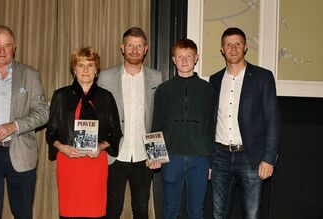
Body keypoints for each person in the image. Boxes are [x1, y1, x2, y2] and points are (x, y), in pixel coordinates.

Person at [0, 25, 49, 219]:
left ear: (14, 47)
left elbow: (43, 112)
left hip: (20, 150)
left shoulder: (30, 75)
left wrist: (14, 126)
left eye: (7, 46)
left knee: (23, 214)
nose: (2, 51)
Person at [209, 27, 281, 219]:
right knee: (218, 214)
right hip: (220, 157)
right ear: (222, 49)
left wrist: (268, 158)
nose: (233, 48)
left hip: (251, 158)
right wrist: (209, 160)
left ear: (245, 47)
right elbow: (211, 122)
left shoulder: (262, 77)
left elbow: (273, 120)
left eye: (238, 44)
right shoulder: (214, 80)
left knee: (252, 214)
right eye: (229, 44)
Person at [46, 47, 123, 218]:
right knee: (70, 212)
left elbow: (116, 132)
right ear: (74, 70)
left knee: (95, 212)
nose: (86, 70)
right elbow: (51, 132)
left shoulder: (106, 97)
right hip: (69, 162)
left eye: (90, 65)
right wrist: (62, 147)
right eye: (81, 65)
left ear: (96, 70)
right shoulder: (60, 96)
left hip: (95, 163)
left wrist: (101, 146)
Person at [98, 27, 163, 219]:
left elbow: (158, 117)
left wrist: (156, 153)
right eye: (130, 46)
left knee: (141, 208)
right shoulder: (105, 77)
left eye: (139, 46)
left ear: (146, 49)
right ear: (122, 48)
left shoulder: (156, 77)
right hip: (114, 154)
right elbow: (97, 114)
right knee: (112, 208)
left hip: (144, 156)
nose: (134, 50)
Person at [151, 38, 214, 219]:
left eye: (188, 56)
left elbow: (211, 127)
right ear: (173, 59)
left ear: (196, 58)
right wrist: (155, 156)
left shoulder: (207, 89)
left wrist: (211, 161)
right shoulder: (163, 90)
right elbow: (157, 123)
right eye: (180, 56)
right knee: (170, 210)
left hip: (200, 158)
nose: (184, 60)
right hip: (172, 157)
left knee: (196, 211)